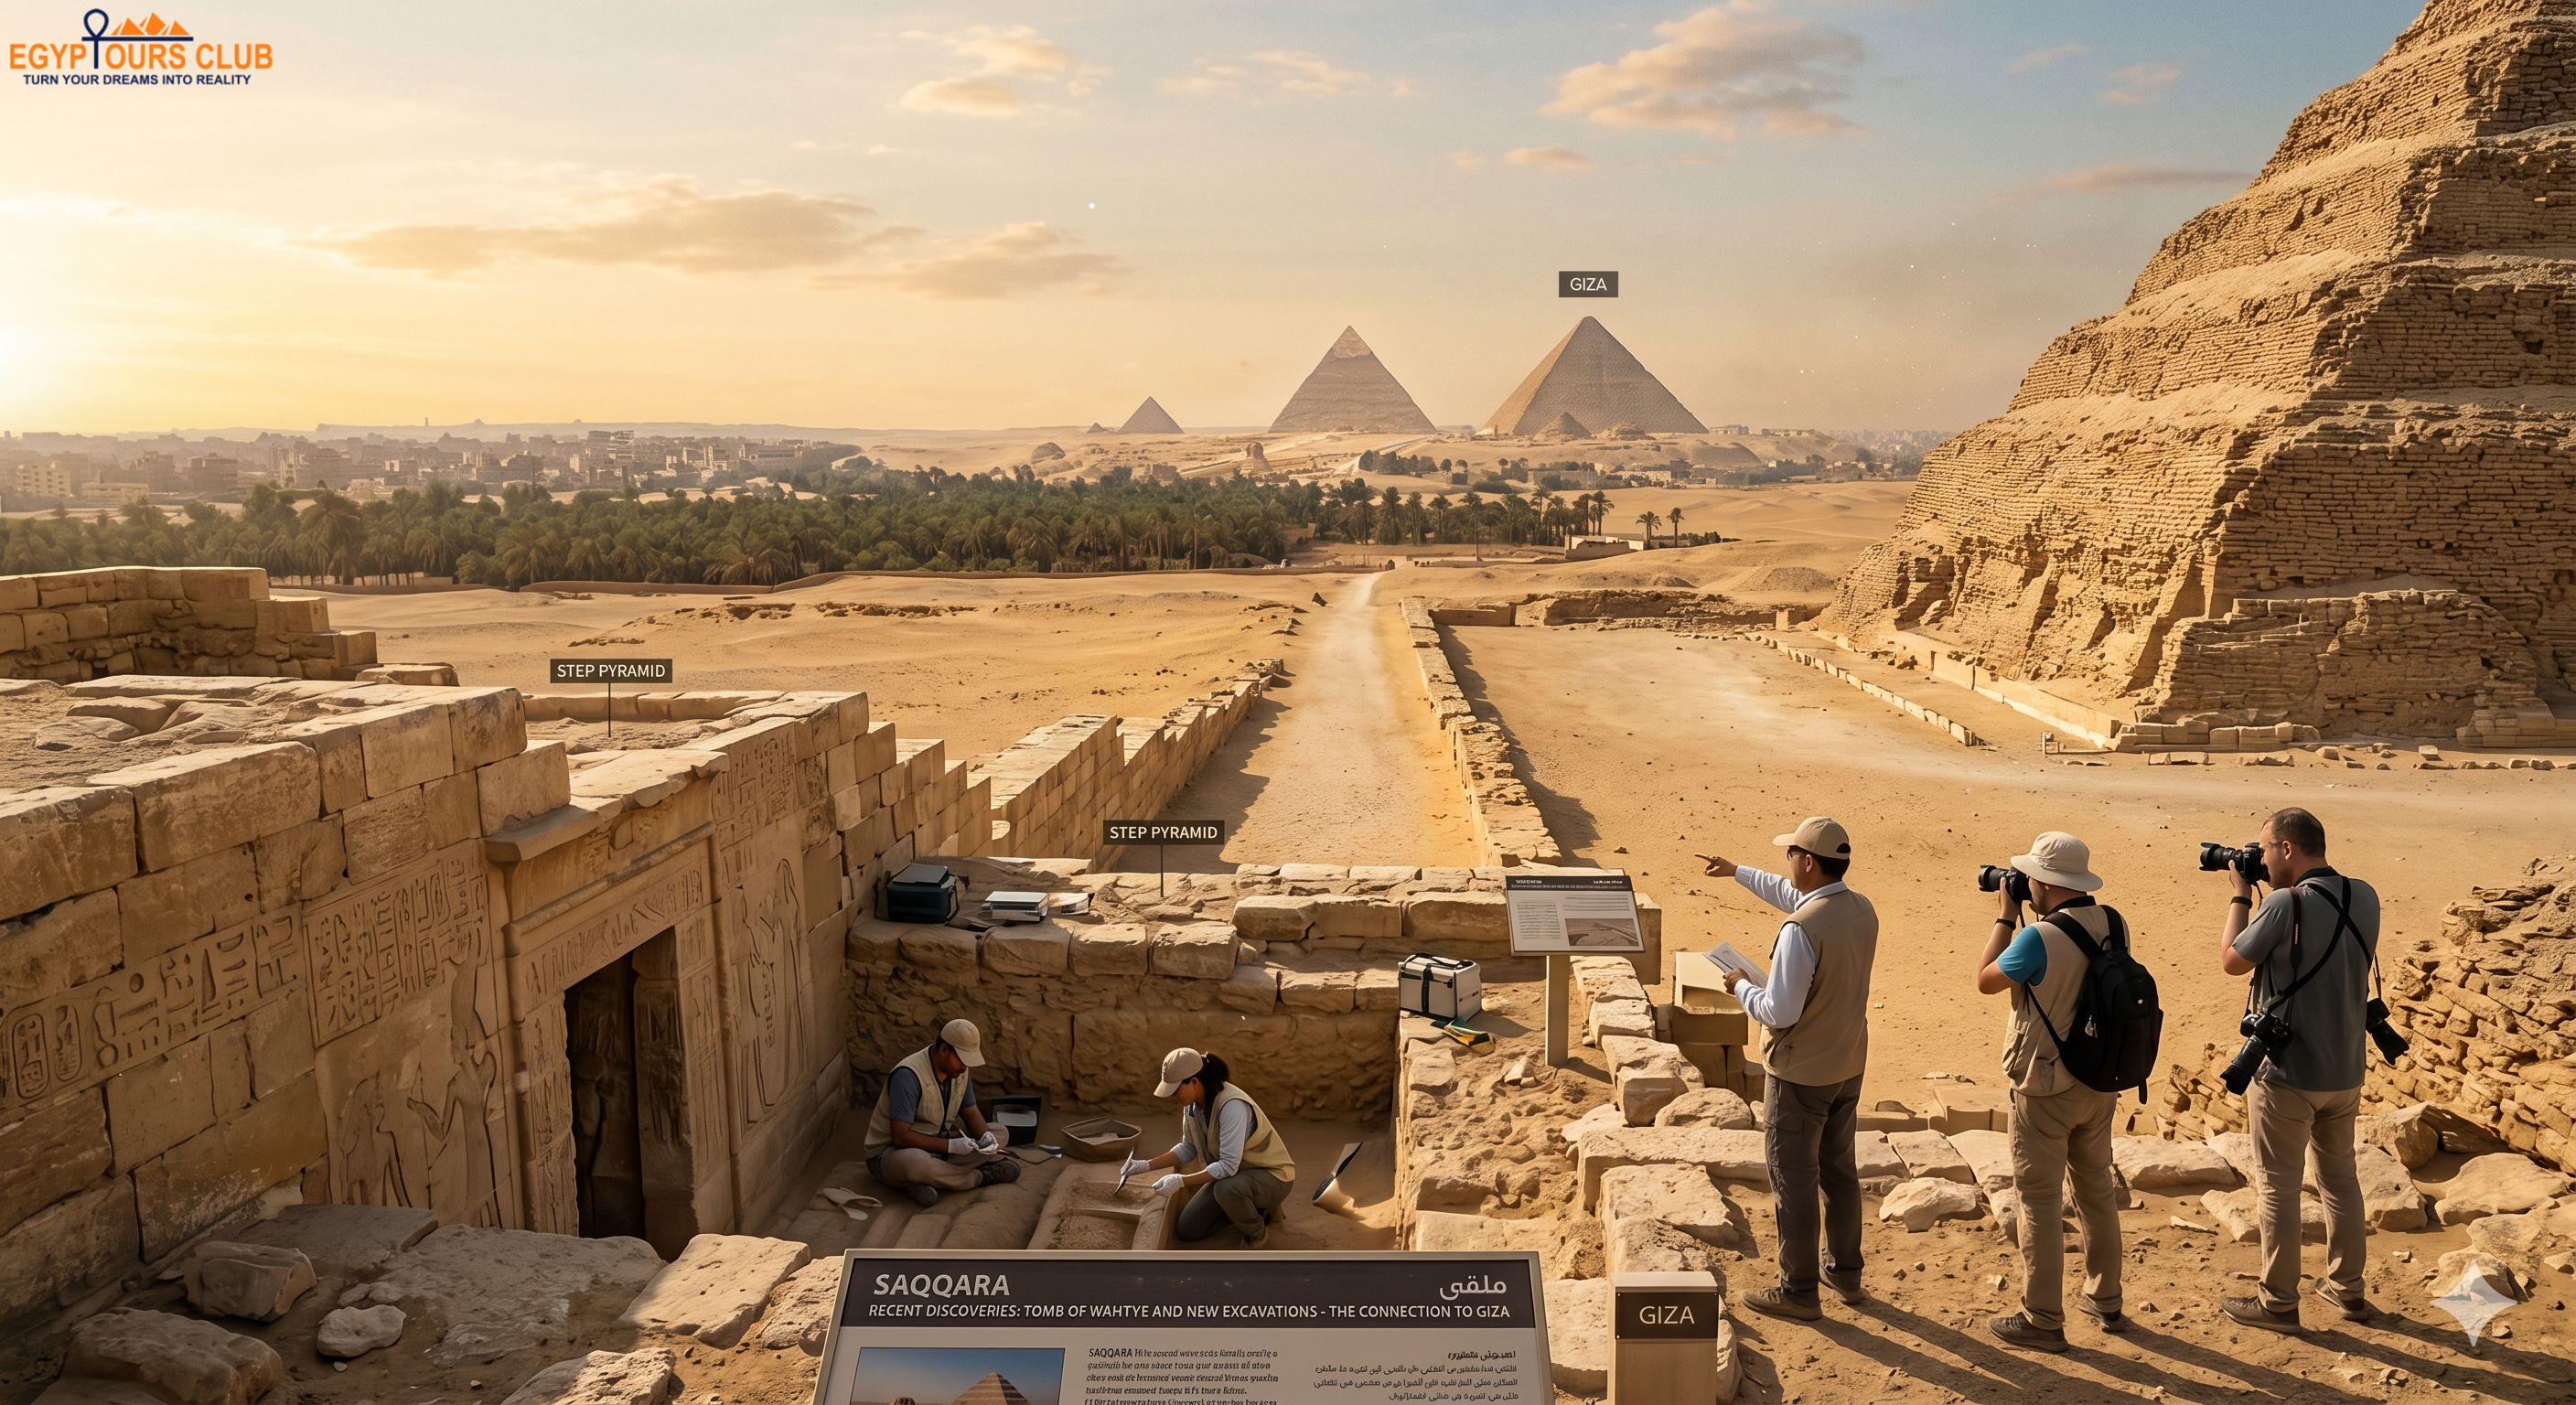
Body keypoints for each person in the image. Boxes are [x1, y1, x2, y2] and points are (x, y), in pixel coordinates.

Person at [1701, 817, 1879, 1322]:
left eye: (1791, 855)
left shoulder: (1801, 930)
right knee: (1838, 1170)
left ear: (1807, 861)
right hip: (1848, 1061)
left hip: (1802, 1072)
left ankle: (1798, 1289)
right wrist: (1738, 872)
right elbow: (1791, 894)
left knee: (1793, 1178)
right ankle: (1845, 1273)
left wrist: (1739, 986)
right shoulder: (1858, 908)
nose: (1787, 864)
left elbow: (1780, 1011)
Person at [2216, 808, 2380, 1331]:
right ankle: (2347, 1288)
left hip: (2287, 1073)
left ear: (2288, 848)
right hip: (2346, 1069)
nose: (2259, 860)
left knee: (2278, 1186)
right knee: (2340, 1180)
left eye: (2264, 850)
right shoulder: (2365, 895)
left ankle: (2278, 1302)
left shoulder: (2286, 903)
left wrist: (2241, 893)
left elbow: (2232, 961)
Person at [1974, 832, 2127, 1352]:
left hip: (2044, 1085)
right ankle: (2106, 1297)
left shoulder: (2036, 939)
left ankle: (2042, 1317)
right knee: (2095, 1189)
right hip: (2099, 1079)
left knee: (2037, 1199)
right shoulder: (2113, 922)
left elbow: (1986, 980)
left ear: (2042, 882)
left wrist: (2003, 914)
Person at [1124, 1047, 1297, 1248]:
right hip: (1236, 1177)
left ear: (1194, 1081)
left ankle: (1257, 1233)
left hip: (1272, 1177)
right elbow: (1187, 1148)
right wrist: (1144, 1165)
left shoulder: (1232, 1106)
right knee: (1188, 1228)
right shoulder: (1191, 1106)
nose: (1173, 1096)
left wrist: (1181, 1181)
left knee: (1226, 1190)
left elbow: (1228, 1166)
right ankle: (1254, 1208)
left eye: (1176, 1089)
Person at [863, 1018, 1020, 1208]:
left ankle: (925, 1180)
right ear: (944, 1050)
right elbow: (900, 1137)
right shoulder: (908, 1076)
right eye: (962, 1060)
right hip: (893, 1155)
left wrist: (985, 1138)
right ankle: (979, 1176)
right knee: (916, 1164)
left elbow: (970, 1113)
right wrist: (951, 1146)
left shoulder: (960, 1071)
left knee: (1000, 1132)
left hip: (939, 1147)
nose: (965, 1067)